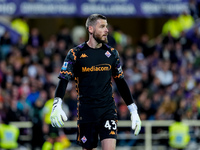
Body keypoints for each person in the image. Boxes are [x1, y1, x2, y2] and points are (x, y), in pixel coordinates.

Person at [50, 14, 141, 150]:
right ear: (91, 29)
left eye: (107, 26)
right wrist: (57, 104)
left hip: (107, 111)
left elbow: (121, 82)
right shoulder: (75, 53)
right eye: (102, 26)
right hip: (87, 113)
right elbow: (63, 79)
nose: (107, 30)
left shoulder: (112, 53)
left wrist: (133, 110)